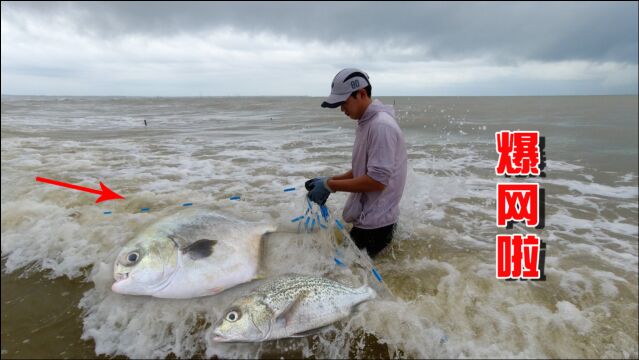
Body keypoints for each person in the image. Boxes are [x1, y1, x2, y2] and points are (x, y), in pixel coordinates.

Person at [306, 68, 407, 258]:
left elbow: (376, 181)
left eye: (343, 102)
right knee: (348, 271)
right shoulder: (367, 123)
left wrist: (330, 186)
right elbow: (363, 169)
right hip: (370, 221)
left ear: (360, 94)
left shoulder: (380, 126)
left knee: (344, 276)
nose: (341, 109)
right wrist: (329, 180)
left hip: (377, 226)